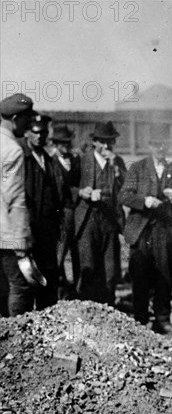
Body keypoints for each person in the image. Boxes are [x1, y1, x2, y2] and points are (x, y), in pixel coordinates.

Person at [119, 125, 172, 335]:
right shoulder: (138, 168)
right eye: (156, 144)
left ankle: (162, 319)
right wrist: (144, 200)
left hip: (164, 230)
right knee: (141, 276)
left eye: (164, 145)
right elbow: (124, 196)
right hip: (141, 230)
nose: (160, 148)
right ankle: (140, 320)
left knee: (164, 275)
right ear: (150, 146)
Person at [20, 113, 69, 311]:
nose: (40, 136)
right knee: (26, 282)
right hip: (28, 229)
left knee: (48, 281)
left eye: (44, 133)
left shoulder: (48, 160)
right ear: (27, 133)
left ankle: (45, 322)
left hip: (48, 230)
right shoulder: (22, 158)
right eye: (36, 132)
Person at [75, 121, 126, 305]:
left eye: (110, 141)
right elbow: (68, 188)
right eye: (102, 141)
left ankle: (108, 311)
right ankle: (87, 311)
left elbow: (127, 190)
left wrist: (116, 170)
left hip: (110, 220)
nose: (106, 146)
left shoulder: (117, 162)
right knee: (88, 267)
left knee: (110, 270)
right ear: (94, 142)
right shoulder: (82, 160)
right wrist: (81, 192)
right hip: (87, 219)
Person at [0, 93, 35, 316]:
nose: (29, 124)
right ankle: (15, 341)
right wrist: (21, 241)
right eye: (26, 120)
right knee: (20, 287)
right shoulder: (13, 150)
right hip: (7, 234)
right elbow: (14, 198)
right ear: (15, 119)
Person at [51, 126, 81, 299]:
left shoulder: (75, 160)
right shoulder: (51, 161)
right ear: (56, 144)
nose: (65, 146)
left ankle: (75, 293)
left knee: (77, 253)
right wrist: (78, 191)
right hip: (60, 214)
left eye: (67, 143)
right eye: (61, 143)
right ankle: (56, 293)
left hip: (76, 212)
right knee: (59, 255)